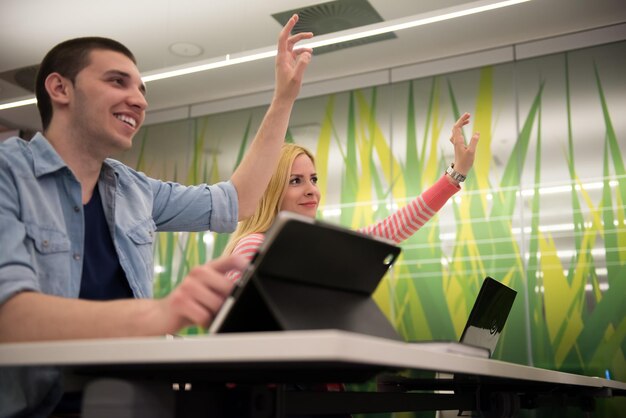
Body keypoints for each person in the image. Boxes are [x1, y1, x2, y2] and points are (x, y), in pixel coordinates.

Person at [0, 15, 312, 417]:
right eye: (118, 81)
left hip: (126, 401)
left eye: (142, 89)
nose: (140, 100)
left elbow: (237, 202)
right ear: (60, 88)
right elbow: (10, 317)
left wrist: (284, 98)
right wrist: (164, 311)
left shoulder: (134, 190)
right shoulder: (8, 174)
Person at [224, 113, 480, 273]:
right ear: (270, 193)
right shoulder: (253, 246)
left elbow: (389, 230)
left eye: (313, 179)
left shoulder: (314, 246)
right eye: (295, 181)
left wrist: (456, 173)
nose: (311, 190)